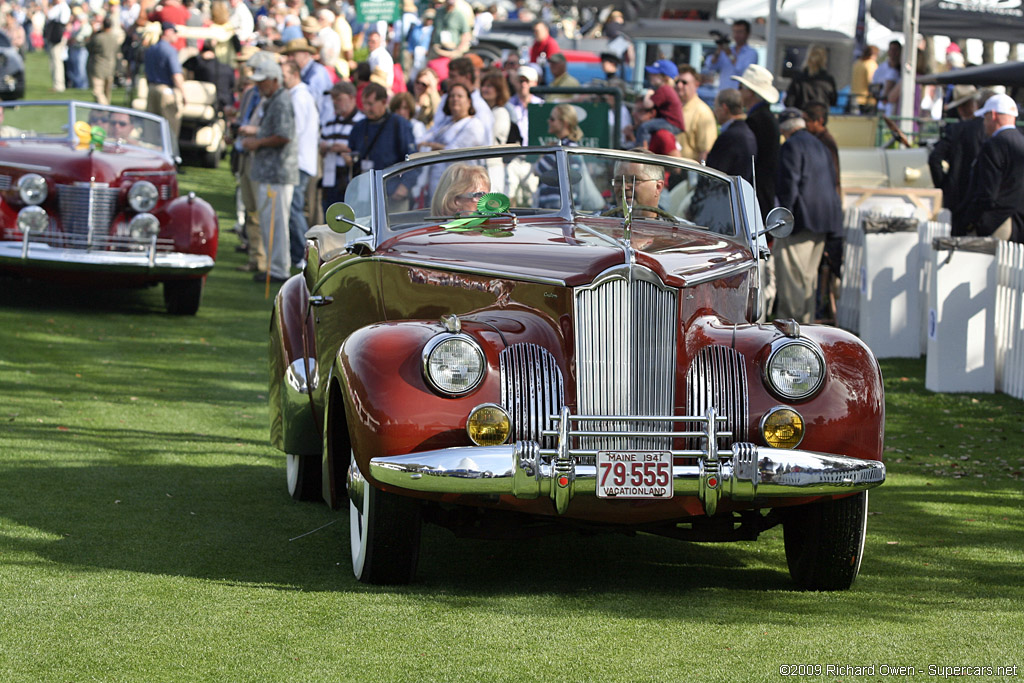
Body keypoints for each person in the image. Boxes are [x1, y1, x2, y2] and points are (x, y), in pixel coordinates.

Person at [773, 108, 841, 323]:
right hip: (823, 220)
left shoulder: (792, 145)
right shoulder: (819, 145)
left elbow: (789, 185)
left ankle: (791, 334)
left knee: (792, 280)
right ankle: (807, 329)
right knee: (809, 279)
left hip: (801, 221)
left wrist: (784, 220)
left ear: (784, 129)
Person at [239, 52, 298, 284]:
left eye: (263, 81)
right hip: (271, 171)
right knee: (270, 222)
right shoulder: (276, 99)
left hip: (278, 172)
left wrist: (258, 142)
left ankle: (279, 269)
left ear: (274, 80)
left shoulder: (281, 101)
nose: (259, 85)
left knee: (276, 223)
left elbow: (285, 136)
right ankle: (275, 267)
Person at [962, 94, 1024, 242]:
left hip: (997, 224)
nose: (983, 123)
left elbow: (987, 193)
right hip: (1019, 224)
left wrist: (969, 222)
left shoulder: (993, 145)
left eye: (985, 117)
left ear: (994, 115)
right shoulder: (1021, 142)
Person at [349, 82, 419, 207]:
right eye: (364, 104)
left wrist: (405, 185)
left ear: (383, 102)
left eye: (370, 104)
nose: (366, 108)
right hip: (365, 194)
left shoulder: (399, 124)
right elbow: (352, 153)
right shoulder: (359, 127)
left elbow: (413, 158)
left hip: (392, 194)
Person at [929, 85, 986, 233]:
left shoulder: (955, 130)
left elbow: (934, 158)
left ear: (960, 109)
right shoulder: (986, 129)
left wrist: (944, 184)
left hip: (957, 195)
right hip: (980, 196)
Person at [281, 60, 319, 268]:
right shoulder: (299, 96)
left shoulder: (300, 97)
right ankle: (300, 254)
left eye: (284, 74)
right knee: (293, 208)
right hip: (299, 160)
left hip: (298, 161)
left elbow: (294, 130)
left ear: (295, 74)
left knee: (294, 209)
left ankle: (306, 256)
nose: (281, 78)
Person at [732, 63, 779, 221]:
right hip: (762, 191)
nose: (738, 91)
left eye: (741, 87)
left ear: (750, 92)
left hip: (756, 194)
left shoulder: (757, 120)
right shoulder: (766, 117)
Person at [319, 80, 365, 216]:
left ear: (351, 98)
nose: (334, 102)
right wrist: (327, 147)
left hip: (351, 179)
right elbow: (322, 147)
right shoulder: (329, 121)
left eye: (338, 98)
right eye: (333, 98)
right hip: (330, 177)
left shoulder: (361, 122)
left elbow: (363, 151)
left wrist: (345, 150)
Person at [432, 56, 493, 145]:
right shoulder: (446, 98)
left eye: (453, 76)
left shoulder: (480, 108)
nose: (449, 80)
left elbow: (486, 144)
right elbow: (436, 129)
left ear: (467, 77)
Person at [533, 103, 583, 208]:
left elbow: (537, 169)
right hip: (563, 207)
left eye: (552, 119)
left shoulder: (561, 148)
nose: (548, 121)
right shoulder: (571, 146)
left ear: (564, 123)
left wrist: (545, 153)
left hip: (556, 208)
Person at [144, 22, 186, 141]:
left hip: (151, 89)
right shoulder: (170, 50)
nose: (176, 37)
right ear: (167, 32)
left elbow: (146, 72)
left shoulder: (151, 49)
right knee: (170, 129)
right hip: (165, 91)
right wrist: (183, 94)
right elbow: (176, 75)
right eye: (174, 33)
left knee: (151, 128)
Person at [705, 88, 756, 184]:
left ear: (724, 108)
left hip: (725, 195)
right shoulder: (748, 133)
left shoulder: (729, 137)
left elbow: (713, 176)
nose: (715, 111)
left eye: (715, 107)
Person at [282, 38, 333, 125]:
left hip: (321, 125)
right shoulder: (304, 71)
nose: (290, 59)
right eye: (288, 55)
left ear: (306, 54)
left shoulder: (317, 72)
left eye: (293, 55)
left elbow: (308, 99)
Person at [633, 59, 684, 148]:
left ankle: (641, 151)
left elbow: (648, 104)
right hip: (671, 123)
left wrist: (648, 93)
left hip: (671, 123)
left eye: (655, 74)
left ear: (665, 77)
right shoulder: (666, 89)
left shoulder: (664, 89)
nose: (651, 76)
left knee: (644, 127)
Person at [674, 65, 717, 162]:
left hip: (689, 172)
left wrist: (698, 176)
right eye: (677, 82)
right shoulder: (672, 108)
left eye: (684, 82)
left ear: (696, 84)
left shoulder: (702, 112)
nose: (679, 85)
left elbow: (705, 152)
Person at [703, 19, 757, 95]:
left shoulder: (751, 53)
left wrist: (730, 55)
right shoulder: (726, 51)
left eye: (740, 32)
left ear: (747, 34)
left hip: (740, 95)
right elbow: (710, 66)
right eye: (735, 32)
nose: (736, 35)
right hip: (723, 93)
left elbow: (743, 72)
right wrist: (718, 52)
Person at [785, 45, 836, 111]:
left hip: (802, 116)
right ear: (824, 59)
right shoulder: (828, 80)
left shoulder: (798, 78)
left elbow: (788, 102)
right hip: (820, 117)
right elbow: (833, 101)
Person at [86, 14, 121, 106]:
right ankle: (105, 111)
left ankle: (105, 109)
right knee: (107, 93)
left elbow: (88, 47)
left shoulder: (98, 38)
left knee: (97, 92)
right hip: (110, 67)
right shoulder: (115, 38)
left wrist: (93, 32)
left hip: (98, 67)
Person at [509, 64, 543, 144]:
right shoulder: (508, 105)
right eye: (521, 81)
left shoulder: (541, 105)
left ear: (535, 83)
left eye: (527, 81)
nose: (523, 84)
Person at [44, 0, 71, 92]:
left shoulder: (61, 7)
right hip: (58, 34)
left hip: (57, 35)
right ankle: (58, 84)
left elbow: (49, 15)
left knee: (56, 60)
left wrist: (45, 6)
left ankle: (59, 85)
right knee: (55, 60)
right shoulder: (63, 7)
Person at [871, 41, 901, 117]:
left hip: (895, 109)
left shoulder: (900, 70)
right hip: (883, 107)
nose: (894, 53)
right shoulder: (881, 69)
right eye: (892, 50)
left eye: (896, 50)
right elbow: (875, 85)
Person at [850, 46, 878, 112]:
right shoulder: (871, 64)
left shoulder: (857, 63)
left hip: (854, 97)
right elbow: (872, 82)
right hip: (866, 100)